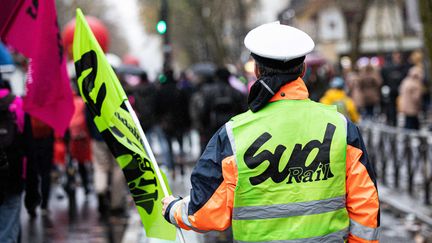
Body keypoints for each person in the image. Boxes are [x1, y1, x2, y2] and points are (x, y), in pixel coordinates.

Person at [162, 22, 380, 242]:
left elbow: (205, 213)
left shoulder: (232, 136)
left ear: (257, 70)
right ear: (303, 70)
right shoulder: (342, 128)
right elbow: (366, 206)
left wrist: (174, 208)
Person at [0, 78, 39, 242]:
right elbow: (30, 148)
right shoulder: (19, 104)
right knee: (9, 221)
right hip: (14, 173)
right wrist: (33, 187)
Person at [399, 66, 424, 130]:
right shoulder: (416, 83)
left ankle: (408, 138)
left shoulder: (406, 81)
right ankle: (409, 138)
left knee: (409, 123)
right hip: (412, 107)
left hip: (405, 106)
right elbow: (416, 98)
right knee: (411, 125)